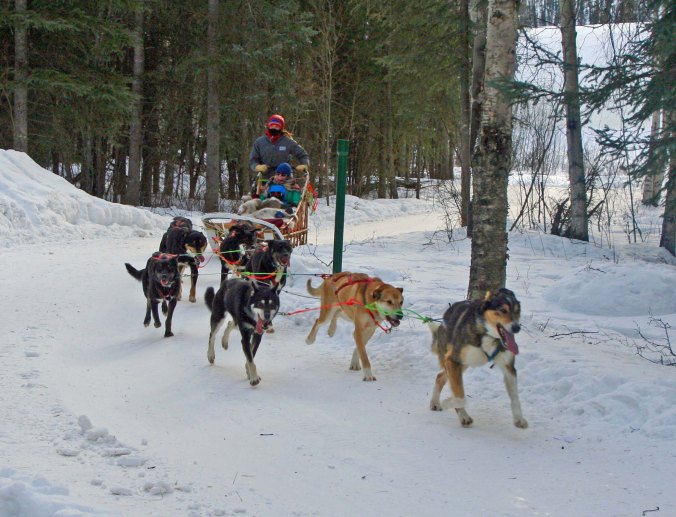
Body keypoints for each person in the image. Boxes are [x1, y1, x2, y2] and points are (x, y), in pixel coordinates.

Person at [249, 114, 309, 185]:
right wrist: (256, 166)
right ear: (268, 126)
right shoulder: (259, 142)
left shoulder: (288, 142)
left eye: (277, 126)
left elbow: (303, 154)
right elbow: (253, 159)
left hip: (285, 179)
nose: (274, 128)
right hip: (265, 180)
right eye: (272, 125)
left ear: (281, 128)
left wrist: (304, 164)